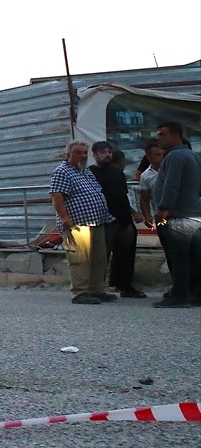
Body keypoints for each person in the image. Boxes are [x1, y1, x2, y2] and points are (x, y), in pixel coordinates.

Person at [49, 142, 115, 305]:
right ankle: (79, 292)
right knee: (80, 259)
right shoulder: (62, 171)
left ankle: (96, 290)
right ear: (68, 155)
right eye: (78, 153)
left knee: (99, 258)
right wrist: (64, 218)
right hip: (77, 224)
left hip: (97, 222)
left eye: (85, 153)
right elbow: (57, 196)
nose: (83, 156)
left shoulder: (85, 171)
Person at [150, 121, 201, 309]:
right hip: (193, 214)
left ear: (176, 135)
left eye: (162, 134)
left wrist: (163, 209)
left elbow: (171, 185)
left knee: (178, 257)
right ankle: (196, 292)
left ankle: (179, 295)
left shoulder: (175, 157)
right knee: (194, 256)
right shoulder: (193, 156)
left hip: (177, 215)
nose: (158, 138)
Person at [89, 143, 144, 298]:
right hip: (104, 220)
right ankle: (96, 288)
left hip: (124, 219)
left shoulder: (117, 173)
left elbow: (122, 196)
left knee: (126, 254)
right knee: (100, 256)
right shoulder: (89, 174)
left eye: (109, 152)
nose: (107, 155)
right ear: (95, 154)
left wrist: (133, 213)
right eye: (103, 152)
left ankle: (124, 285)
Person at [138, 142, 165, 227]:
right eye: (157, 154)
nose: (162, 156)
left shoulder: (171, 169)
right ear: (148, 157)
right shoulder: (145, 176)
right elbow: (144, 199)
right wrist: (147, 216)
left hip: (179, 213)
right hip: (160, 216)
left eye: (162, 154)